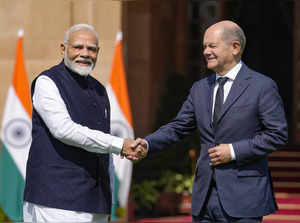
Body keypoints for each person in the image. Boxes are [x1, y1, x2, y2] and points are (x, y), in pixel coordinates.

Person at [131, 20, 288, 222]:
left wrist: (232, 151)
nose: (205, 51)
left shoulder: (262, 86)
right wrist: (148, 143)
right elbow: (178, 127)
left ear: (235, 47)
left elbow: (277, 135)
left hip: (244, 199)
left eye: (212, 46)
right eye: (204, 46)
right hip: (204, 198)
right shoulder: (199, 88)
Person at [23, 24, 135, 222]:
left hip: (94, 202)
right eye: (78, 47)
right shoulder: (47, 82)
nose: (85, 53)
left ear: (98, 52)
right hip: (56, 200)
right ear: (63, 49)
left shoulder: (100, 89)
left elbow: (103, 153)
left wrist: (108, 199)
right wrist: (120, 145)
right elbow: (63, 130)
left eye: (91, 49)